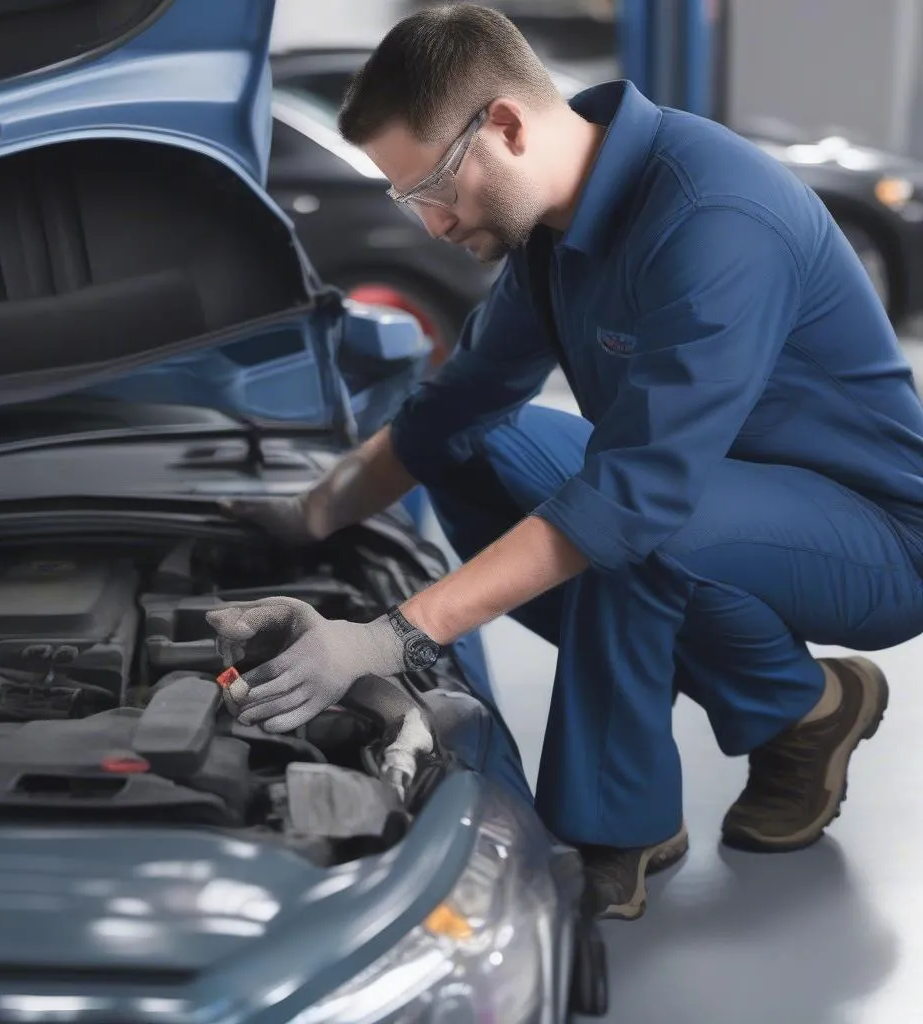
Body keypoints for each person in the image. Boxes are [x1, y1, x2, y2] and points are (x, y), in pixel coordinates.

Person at [205, 3, 923, 920]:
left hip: (874, 532)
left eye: (429, 188)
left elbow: (631, 499)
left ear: (503, 125)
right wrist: (300, 522)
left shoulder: (714, 216)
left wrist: (389, 637)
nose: (428, 226)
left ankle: (616, 831)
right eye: (405, 200)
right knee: (474, 437)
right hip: (704, 499)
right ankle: (799, 708)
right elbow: (449, 412)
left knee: (630, 533)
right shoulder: (553, 234)